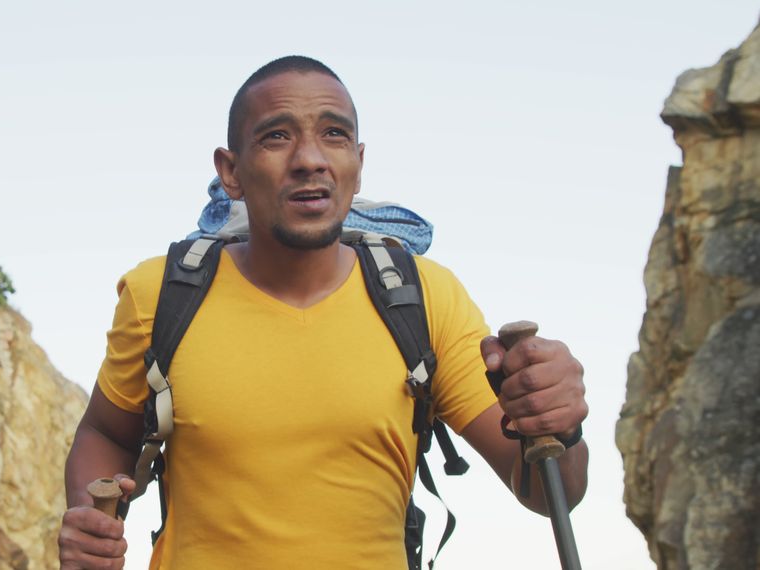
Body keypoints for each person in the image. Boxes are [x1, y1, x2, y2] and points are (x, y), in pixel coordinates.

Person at [58, 56, 589, 570]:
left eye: (334, 134)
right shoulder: (162, 294)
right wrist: (90, 517)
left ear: (358, 164)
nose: (310, 159)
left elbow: (547, 489)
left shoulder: (425, 298)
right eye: (276, 136)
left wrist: (558, 427)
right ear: (231, 172)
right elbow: (106, 433)